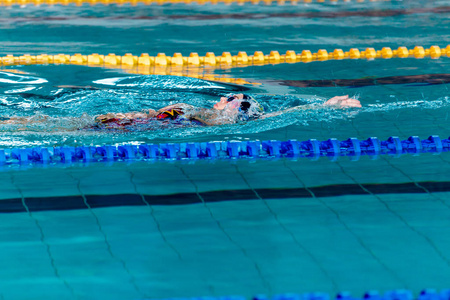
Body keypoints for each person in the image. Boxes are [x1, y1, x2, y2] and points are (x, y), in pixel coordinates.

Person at [0, 94, 361, 130]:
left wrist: (326, 105)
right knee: (48, 124)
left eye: (233, 99)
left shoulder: (221, 117)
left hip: (136, 129)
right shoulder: (198, 110)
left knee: (54, 125)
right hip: (133, 123)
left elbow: (281, 117)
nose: (228, 99)